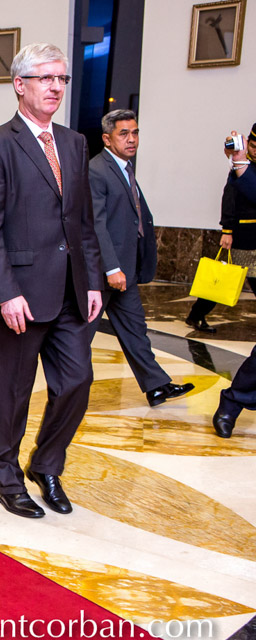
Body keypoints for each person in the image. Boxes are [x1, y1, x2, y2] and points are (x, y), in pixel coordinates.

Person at [0, 43, 103, 519]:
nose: (56, 87)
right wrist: (5, 292)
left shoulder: (74, 142)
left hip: (69, 290)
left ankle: (46, 464)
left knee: (77, 381)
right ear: (19, 85)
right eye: (46, 78)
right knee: (10, 392)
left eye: (62, 79)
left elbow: (82, 219)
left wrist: (91, 281)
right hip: (19, 294)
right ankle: (6, 479)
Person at [88, 110, 194, 407]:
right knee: (79, 335)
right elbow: (96, 224)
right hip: (107, 272)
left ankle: (157, 386)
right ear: (107, 138)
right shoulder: (97, 170)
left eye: (135, 132)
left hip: (126, 271)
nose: (132, 139)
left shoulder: (124, 168)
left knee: (135, 329)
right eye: (124, 133)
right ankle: (66, 387)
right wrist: (111, 267)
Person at [185, 123, 256, 334]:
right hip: (245, 237)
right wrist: (227, 230)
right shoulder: (241, 168)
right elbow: (229, 199)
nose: (255, 151)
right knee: (222, 281)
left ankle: (195, 315)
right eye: (253, 146)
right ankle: (196, 315)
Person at [213, 129, 256, 438]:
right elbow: (241, 194)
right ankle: (233, 400)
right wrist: (240, 163)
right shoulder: (245, 170)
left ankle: (235, 399)